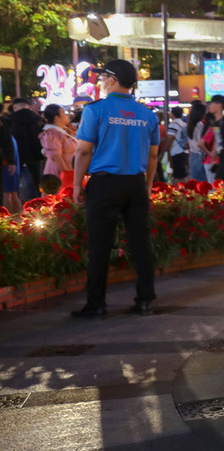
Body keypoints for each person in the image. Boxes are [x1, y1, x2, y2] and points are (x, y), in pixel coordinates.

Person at [71, 60, 160, 318]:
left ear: (112, 80)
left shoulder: (95, 110)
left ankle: (96, 304)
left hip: (105, 184)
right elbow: (153, 156)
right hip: (136, 184)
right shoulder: (147, 114)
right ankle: (145, 301)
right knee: (141, 243)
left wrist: (77, 185)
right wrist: (147, 186)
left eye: (102, 78)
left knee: (100, 245)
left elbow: (84, 151)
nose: (100, 82)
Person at [40, 104, 77, 194]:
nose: (67, 115)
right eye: (64, 113)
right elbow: (55, 157)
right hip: (59, 172)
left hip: (69, 170)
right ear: (57, 118)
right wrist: (67, 174)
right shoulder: (51, 133)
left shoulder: (64, 130)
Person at [186, 100, 208, 182]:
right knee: (202, 181)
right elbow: (200, 142)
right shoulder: (200, 126)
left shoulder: (190, 125)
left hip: (192, 154)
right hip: (200, 155)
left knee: (195, 180)